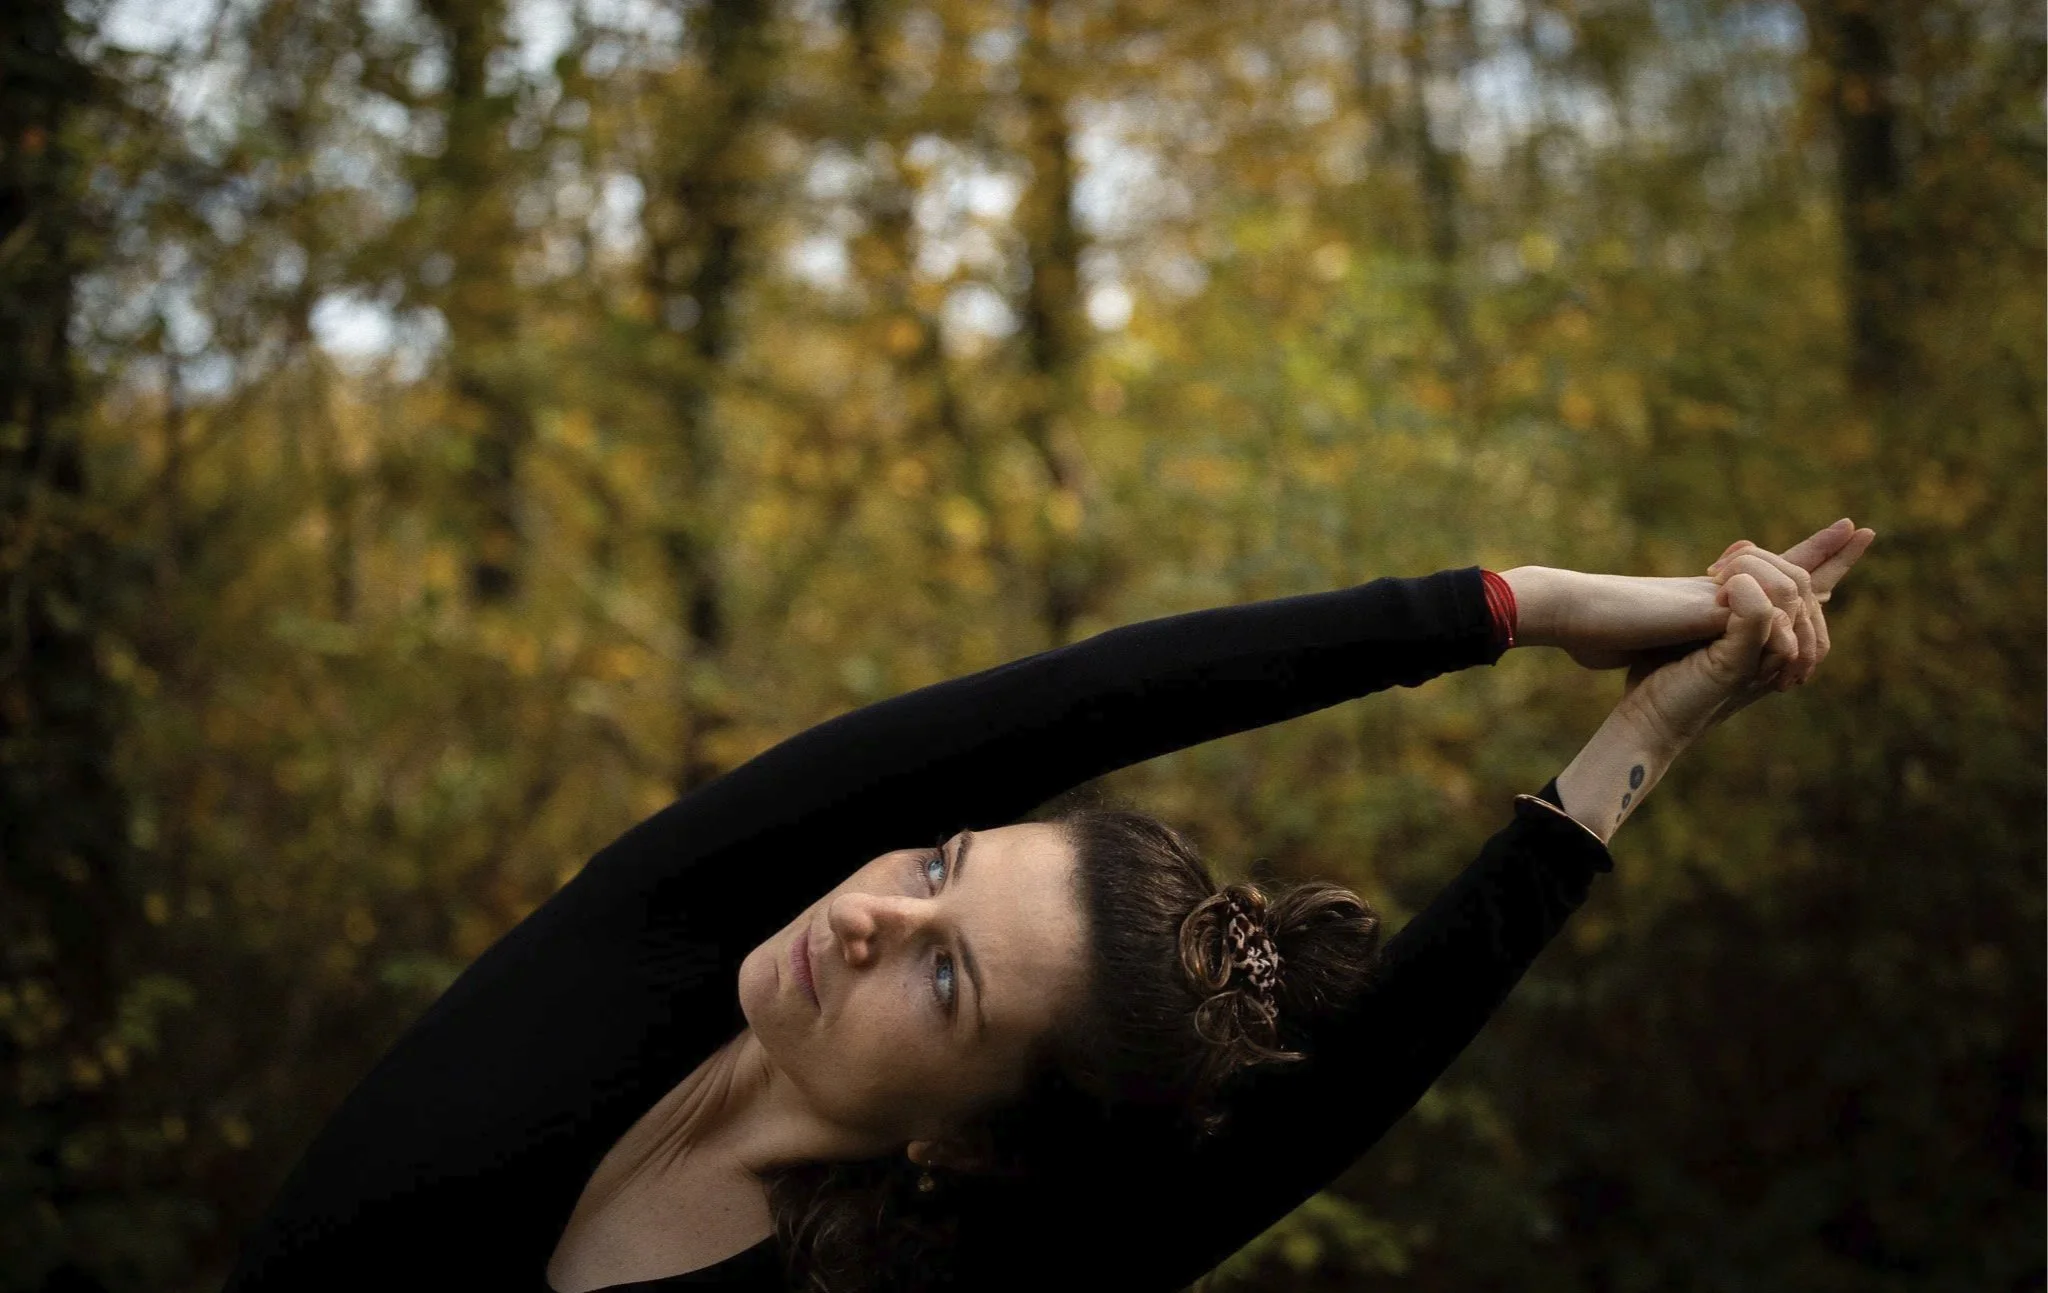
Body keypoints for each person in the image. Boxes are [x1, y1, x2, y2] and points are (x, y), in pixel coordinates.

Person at [222, 522, 1875, 1293]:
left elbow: (1348, 1090)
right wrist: (1530, 605)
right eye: (937, 868)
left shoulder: (940, 1281)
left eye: (945, 986)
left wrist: (1648, 738)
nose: (871, 920)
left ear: (966, 1145)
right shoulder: (679, 922)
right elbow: (1087, 699)